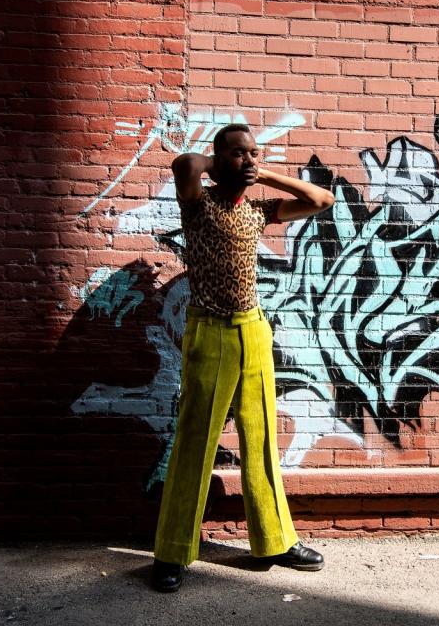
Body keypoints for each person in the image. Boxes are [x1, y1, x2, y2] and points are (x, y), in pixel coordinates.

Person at [150, 123, 334, 592]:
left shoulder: (257, 211)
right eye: (238, 153)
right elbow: (186, 165)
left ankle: (274, 540)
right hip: (209, 331)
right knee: (195, 441)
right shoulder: (199, 205)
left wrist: (263, 172)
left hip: (252, 329)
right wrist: (223, 164)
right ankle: (172, 551)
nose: (248, 159)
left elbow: (321, 201)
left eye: (253, 151)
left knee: (262, 438)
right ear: (219, 159)